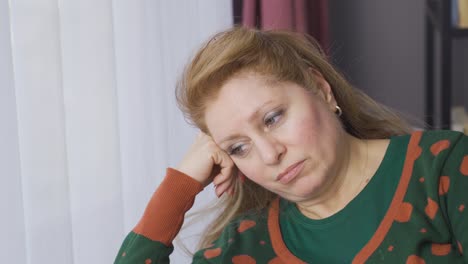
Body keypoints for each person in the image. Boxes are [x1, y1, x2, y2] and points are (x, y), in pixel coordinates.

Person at [114, 27, 468, 264]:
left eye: (272, 119)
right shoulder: (240, 247)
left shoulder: (441, 169)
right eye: (239, 148)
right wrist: (179, 187)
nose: (270, 155)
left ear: (320, 88)